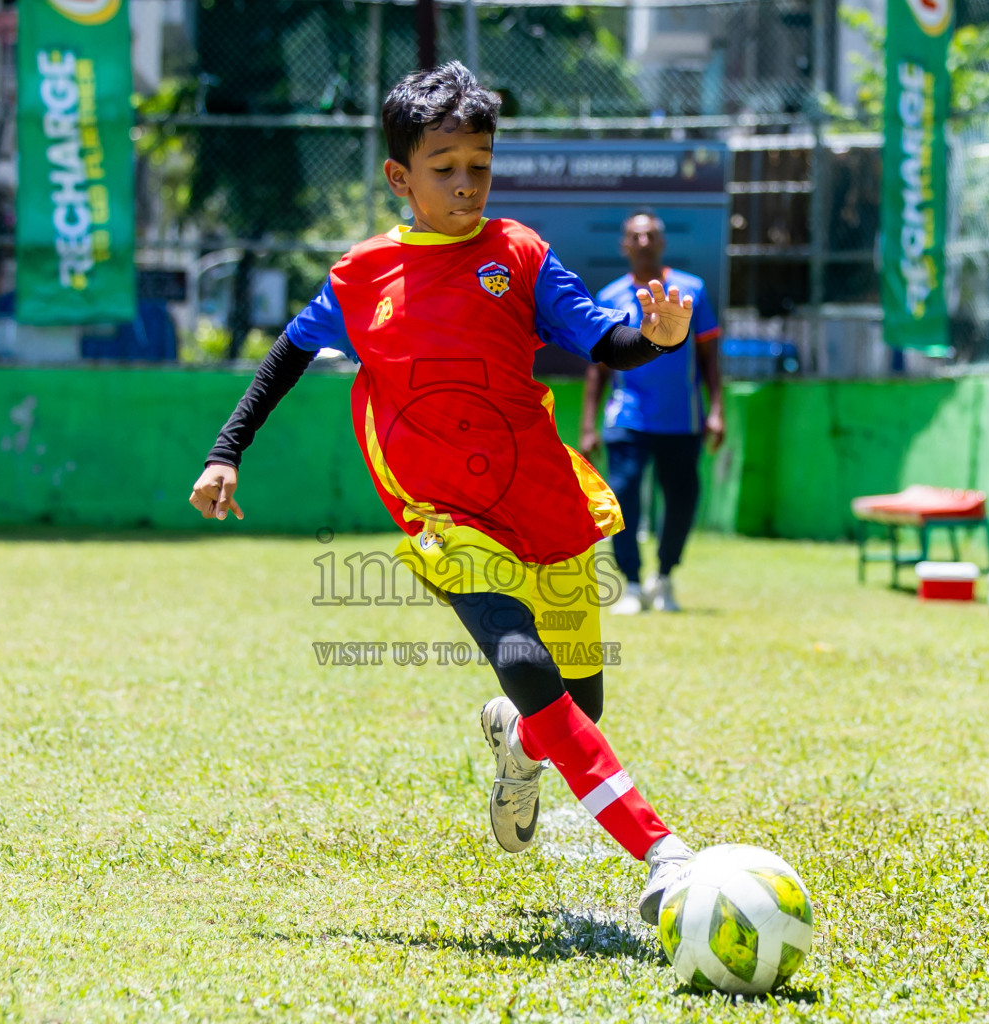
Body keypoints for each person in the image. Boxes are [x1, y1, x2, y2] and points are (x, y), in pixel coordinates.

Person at [188, 63, 696, 924]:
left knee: (578, 699)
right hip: (446, 515)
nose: (466, 184)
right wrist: (226, 451)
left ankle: (516, 737)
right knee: (529, 666)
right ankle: (663, 851)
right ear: (401, 176)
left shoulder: (520, 254)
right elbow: (286, 356)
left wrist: (654, 338)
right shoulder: (363, 276)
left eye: (481, 166)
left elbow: (603, 341)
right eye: (445, 167)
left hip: (542, 499)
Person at [579, 211, 724, 614]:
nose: (643, 242)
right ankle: (630, 584)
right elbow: (598, 367)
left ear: (662, 243)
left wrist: (717, 411)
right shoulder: (608, 297)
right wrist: (588, 426)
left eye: (651, 235)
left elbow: (709, 357)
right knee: (622, 497)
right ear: (624, 245)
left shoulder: (691, 291)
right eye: (635, 236)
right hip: (628, 417)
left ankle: (664, 578)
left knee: (682, 498)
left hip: (682, 419)